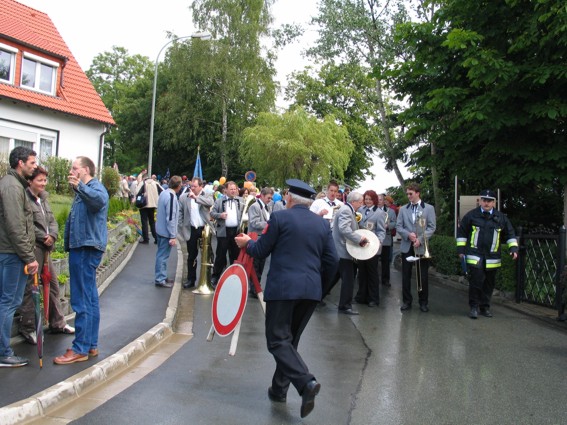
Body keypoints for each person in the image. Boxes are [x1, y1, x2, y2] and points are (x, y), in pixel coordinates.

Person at [235, 179, 338, 419]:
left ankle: (306, 383)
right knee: (290, 341)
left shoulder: (280, 218)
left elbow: (261, 250)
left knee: (277, 340)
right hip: (311, 291)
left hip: (283, 289)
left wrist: (246, 243)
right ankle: (279, 389)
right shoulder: (322, 225)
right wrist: (320, 289)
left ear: (289, 198)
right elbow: (332, 262)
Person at [54, 156, 108, 365]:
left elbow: (99, 201)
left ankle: (80, 348)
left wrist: (80, 188)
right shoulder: (84, 189)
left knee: (82, 299)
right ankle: (90, 344)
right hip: (83, 248)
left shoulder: (94, 188)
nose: (71, 171)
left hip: (85, 249)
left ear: (85, 170)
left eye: (75, 168)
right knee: (90, 298)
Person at [19, 167, 74, 345]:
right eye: (40, 180)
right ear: (30, 181)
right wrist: (43, 236)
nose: (43, 183)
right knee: (31, 288)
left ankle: (57, 323)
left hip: (46, 249)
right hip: (34, 247)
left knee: (52, 285)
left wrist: (53, 235)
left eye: (45, 180)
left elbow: (52, 221)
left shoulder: (43, 200)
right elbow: (25, 224)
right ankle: (28, 328)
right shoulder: (25, 199)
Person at [0, 146, 39, 368]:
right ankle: (3, 352)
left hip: (11, 252)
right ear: (20, 163)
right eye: (32, 163)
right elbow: (15, 226)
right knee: (8, 302)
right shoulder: (12, 188)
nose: (34, 166)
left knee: (7, 301)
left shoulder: (14, 185)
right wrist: (28, 257)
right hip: (11, 254)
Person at [457, 189, 518, 319]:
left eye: (489, 201)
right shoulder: (471, 215)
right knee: (476, 282)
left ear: (493, 202)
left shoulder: (501, 217)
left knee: (489, 284)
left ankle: (485, 307)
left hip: (493, 257)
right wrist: (461, 251)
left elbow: (510, 234)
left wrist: (513, 249)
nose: (486, 203)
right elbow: (462, 233)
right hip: (475, 255)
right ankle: (474, 307)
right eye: (484, 200)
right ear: (480, 201)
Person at [396, 182, 436, 313]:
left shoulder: (428, 208)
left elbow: (431, 227)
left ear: (418, 193)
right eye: (407, 194)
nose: (408, 196)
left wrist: (419, 239)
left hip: (421, 246)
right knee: (405, 276)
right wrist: (408, 235)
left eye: (411, 194)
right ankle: (407, 301)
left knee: (422, 276)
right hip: (407, 245)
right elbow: (399, 226)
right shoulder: (403, 209)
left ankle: (423, 302)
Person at [332, 191, 367, 315]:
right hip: (343, 250)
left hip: (341, 250)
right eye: (360, 202)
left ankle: (317, 298)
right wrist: (359, 239)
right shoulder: (347, 210)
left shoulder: (347, 209)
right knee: (348, 279)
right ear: (353, 202)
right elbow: (344, 228)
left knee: (333, 277)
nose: (362, 204)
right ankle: (345, 306)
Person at [177, 177, 213, 289]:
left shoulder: (207, 195)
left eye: (194, 186)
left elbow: (210, 203)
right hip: (191, 229)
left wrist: (196, 198)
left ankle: (208, 279)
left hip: (204, 229)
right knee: (192, 255)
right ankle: (191, 279)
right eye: (191, 186)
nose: (192, 188)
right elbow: (180, 213)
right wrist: (182, 228)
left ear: (201, 187)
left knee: (208, 255)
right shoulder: (184, 197)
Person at [354, 190, 385, 307]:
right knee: (361, 272)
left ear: (374, 200)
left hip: (372, 248)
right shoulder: (360, 211)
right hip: (361, 246)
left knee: (372, 273)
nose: (367, 201)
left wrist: (378, 242)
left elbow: (381, 231)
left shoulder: (380, 213)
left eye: (370, 199)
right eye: (366, 199)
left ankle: (373, 298)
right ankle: (361, 296)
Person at [210, 181, 243, 287]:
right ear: (226, 190)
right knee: (220, 256)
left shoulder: (241, 201)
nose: (233, 191)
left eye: (235, 189)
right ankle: (215, 277)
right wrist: (220, 215)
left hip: (236, 232)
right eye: (231, 189)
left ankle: (233, 278)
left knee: (235, 256)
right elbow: (212, 213)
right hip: (223, 232)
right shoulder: (219, 201)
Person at [154, 176, 182, 288]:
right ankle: (160, 278)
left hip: (160, 230)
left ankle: (162, 276)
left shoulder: (163, 193)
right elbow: (170, 217)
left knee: (161, 255)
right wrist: (173, 235)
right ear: (179, 186)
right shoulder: (171, 197)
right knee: (163, 256)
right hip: (166, 232)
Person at [246, 187, 274, 296]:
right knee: (255, 264)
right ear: (262, 195)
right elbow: (254, 223)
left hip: (263, 238)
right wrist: (269, 224)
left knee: (261, 263)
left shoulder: (268, 207)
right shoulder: (255, 206)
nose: (270, 200)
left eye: (271, 198)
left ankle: (256, 285)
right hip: (255, 238)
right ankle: (254, 287)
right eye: (268, 198)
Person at [137, 172, 162, 244]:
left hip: (143, 205)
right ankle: (156, 238)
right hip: (153, 205)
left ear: (143, 178)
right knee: (152, 222)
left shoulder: (143, 183)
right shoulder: (155, 183)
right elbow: (162, 191)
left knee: (144, 222)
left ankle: (146, 239)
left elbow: (137, 192)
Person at [377, 193, 397, 286]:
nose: (379, 201)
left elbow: (394, 223)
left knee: (385, 261)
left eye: (380, 200)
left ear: (384, 201)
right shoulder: (373, 210)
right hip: (374, 239)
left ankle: (385, 280)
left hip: (386, 239)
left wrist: (387, 225)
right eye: (377, 200)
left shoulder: (390, 211)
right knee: (374, 261)